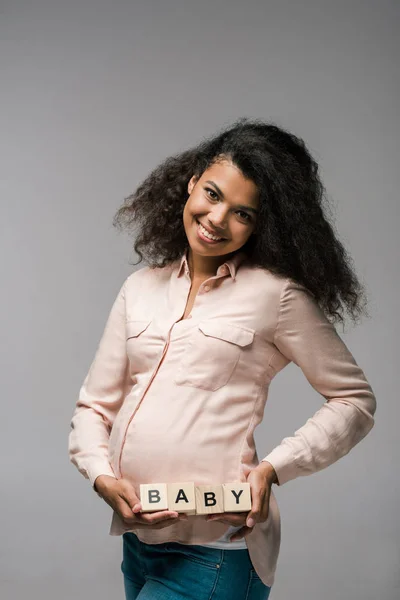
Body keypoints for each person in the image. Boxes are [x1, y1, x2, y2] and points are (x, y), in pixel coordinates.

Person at [68, 117, 377, 600]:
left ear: (260, 226)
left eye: (243, 213)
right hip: (138, 541)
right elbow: (94, 407)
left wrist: (273, 469)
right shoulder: (140, 288)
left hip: (216, 551)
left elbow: (354, 400)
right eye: (213, 195)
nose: (217, 219)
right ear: (192, 184)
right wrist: (102, 476)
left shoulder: (276, 296)